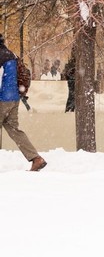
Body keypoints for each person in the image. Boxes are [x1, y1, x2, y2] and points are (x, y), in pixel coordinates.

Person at [0, 35, 47, 171]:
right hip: (14, 98)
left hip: (2, 99)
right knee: (15, 130)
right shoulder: (11, 55)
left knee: (14, 130)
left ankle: (36, 158)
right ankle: (36, 158)